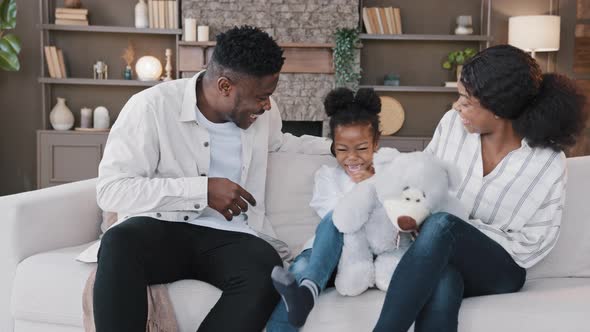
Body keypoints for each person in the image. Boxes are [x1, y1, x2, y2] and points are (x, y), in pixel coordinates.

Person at [93, 26, 331, 332]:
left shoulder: (264, 116)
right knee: (119, 241)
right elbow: (112, 190)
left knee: (268, 268)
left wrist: (338, 148)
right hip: (162, 228)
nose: (267, 105)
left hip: (234, 239)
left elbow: (281, 144)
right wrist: (202, 191)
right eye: (261, 97)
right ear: (224, 86)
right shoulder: (150, 107)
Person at [373, 44, 587, 332]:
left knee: (442, 225)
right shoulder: (451, 125)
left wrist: (463, 232)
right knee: (444, 278)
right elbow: (425, 182)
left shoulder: (546, 162)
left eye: (466, 100)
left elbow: (535, 241)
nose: (456, 106)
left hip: (503, 269)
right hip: (439, 254)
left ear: (499, 110)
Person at [267, 87, 382, 331]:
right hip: (323, 253)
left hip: (363, 257)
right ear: (333, 146)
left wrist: (369, 186)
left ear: (376, 143)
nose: (352, 157)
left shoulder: (387, 175)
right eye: (342, 149)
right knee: (301, 266)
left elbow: (390, 221)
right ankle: (305, 291)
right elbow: (338, 220)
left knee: (337, 217)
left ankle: (307, 291)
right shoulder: (327, 176)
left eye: (361, 148)